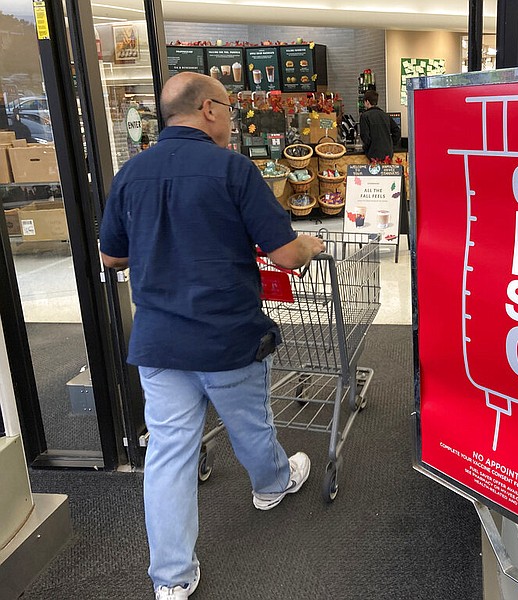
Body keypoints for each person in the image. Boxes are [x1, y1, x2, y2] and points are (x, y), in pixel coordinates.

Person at [99, 72, 325, 600]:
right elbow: (285, 254)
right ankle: (272, 485)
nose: (232, 118)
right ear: (208, 110)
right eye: (228, 107)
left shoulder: (131, 173)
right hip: (225, 336)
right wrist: (310, 244)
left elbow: (111, 256)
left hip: (159, 340)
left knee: (169, 453)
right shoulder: (233, 169)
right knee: (248, 424)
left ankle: (171, 580)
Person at [359, 89, 401, 161]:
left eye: (364, 102)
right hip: (388, 154)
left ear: (367, 102)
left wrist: (366, 148)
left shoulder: (365, 116)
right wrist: (391, 144)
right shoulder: (385, 115)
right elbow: (397, 131)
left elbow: (365, 137)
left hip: (373, 154)